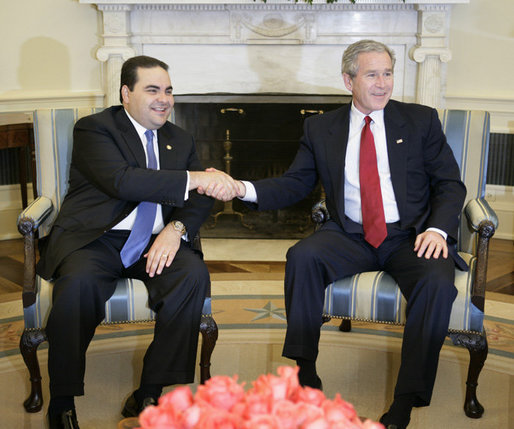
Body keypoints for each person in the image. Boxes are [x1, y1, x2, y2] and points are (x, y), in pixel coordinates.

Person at [230, 40, 467, 429]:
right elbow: (294, 184)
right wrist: (244, 189)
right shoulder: (321, 128)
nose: (382, 83)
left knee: (437, 284)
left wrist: (438, 229)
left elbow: (450, 185)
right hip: (349, 234)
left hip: (411, 235)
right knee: (302, 257)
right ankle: (306, 373)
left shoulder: (421, 120)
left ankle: (406, 399)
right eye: (372, 74)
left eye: (388, 73)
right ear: (348, 80)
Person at [37, 55, 240, 429]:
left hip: (156, 240)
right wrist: (194, 177)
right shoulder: (94, 129)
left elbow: (197, 199)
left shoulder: (180, 139)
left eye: (168, 90)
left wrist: (175, 230)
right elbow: (124, 181)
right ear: (126, 93)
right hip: (96, 238)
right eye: (152, 90)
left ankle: (149, 391)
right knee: (76, 287)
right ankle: (62, 401)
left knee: (191, 276)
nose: (164, 99)